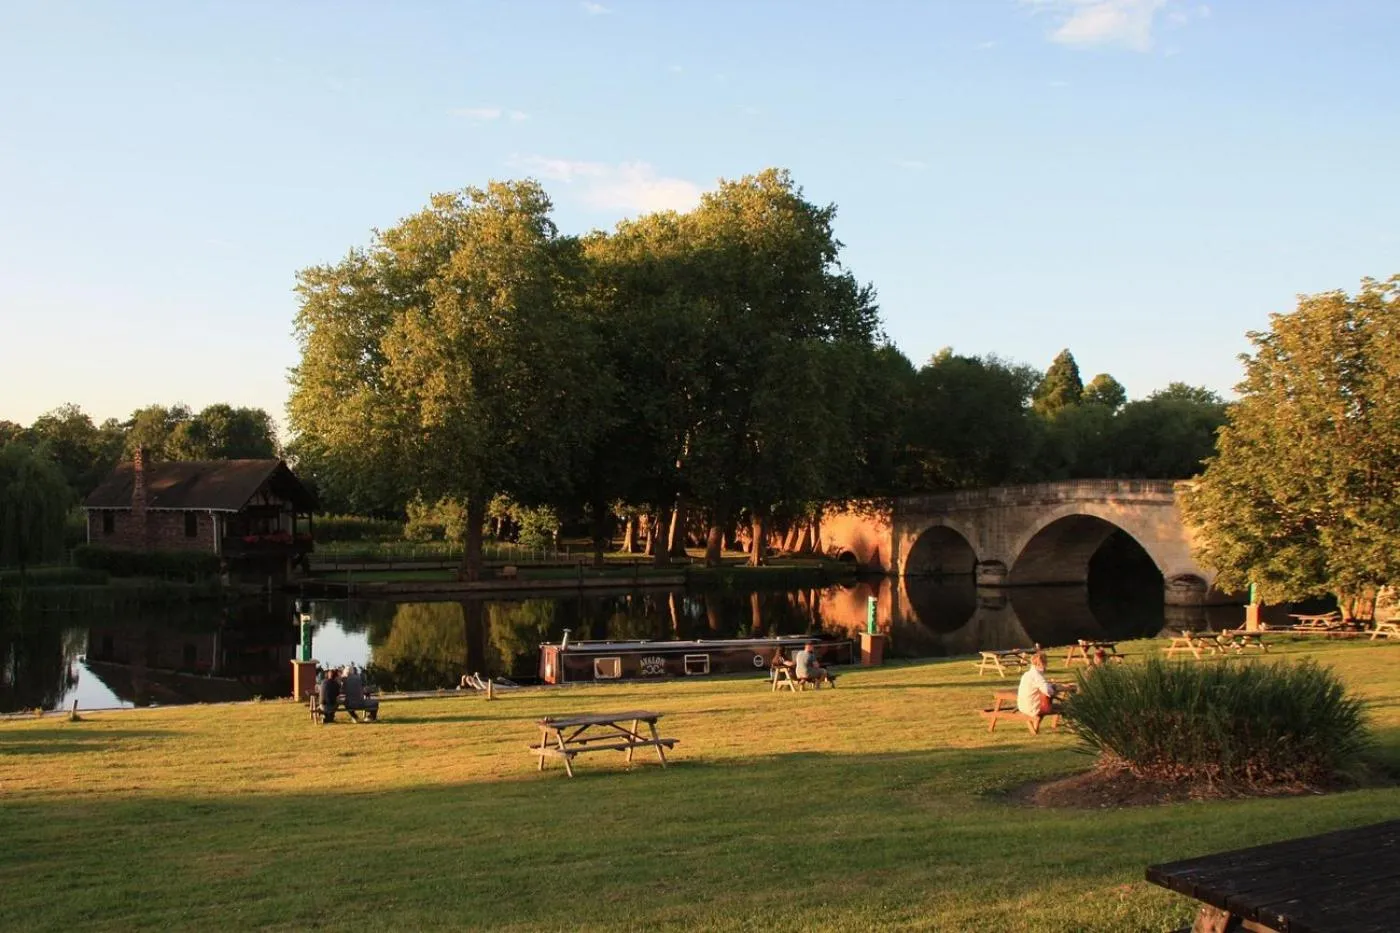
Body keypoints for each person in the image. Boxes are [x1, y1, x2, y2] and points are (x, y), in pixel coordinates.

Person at [1016, 652, 1058, 719]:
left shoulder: (1026, 674)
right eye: (1046, 662)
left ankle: (1035, 728)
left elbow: (1041, 685)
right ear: (1042, 663)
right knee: (1065, 707)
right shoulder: (1037, 675)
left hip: (1022, 707)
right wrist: (1054, 691)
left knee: (1052, 705)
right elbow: (1047, 690)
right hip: (1033, 709)